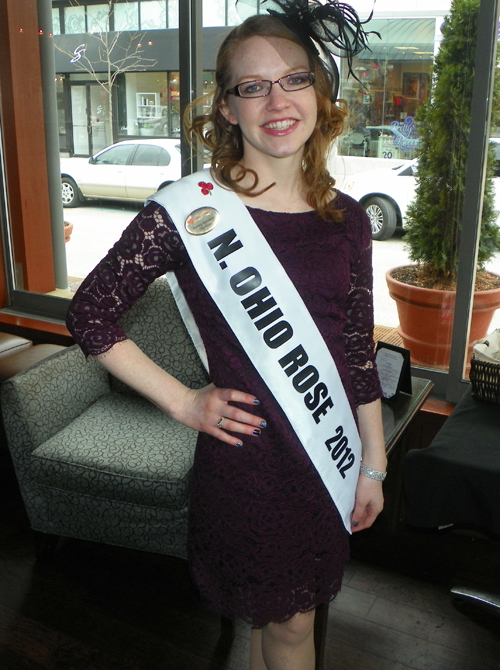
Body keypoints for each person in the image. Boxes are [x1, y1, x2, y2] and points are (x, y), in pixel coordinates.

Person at [66, 2, 386, 668]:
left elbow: (357, 353)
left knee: (284, 621)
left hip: (329, 455)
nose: (277, 99)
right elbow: (89, 312)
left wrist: (374, 465)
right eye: (253, 85)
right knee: (291, 624)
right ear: (228, 107)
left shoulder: (348, 219)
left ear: (319, 95)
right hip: (251, 464)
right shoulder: (187, 211)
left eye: (294, 79)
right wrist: (183, 400)